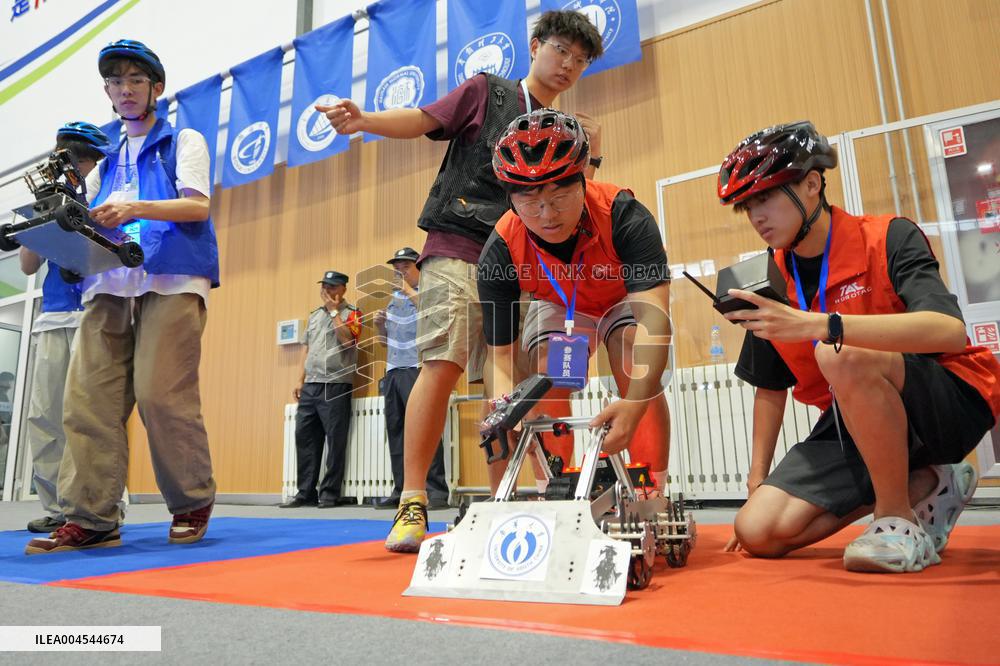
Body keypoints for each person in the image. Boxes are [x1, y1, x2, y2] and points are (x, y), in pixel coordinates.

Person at [320, 10, 606, 552]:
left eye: (580, 59)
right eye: (561, 51)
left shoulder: (565, 128)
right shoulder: (488, 92)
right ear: (537, 45)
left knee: (519, 381)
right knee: (442, 362)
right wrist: (365, 121)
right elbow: (426, 118)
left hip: (523, 264)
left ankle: (507, 499)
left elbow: (577, 203)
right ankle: (412, 500)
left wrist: (593, 150)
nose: (568, 65)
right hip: (459, 244)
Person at [717, 121, 1000, 573]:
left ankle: (895, 520)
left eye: (766, 198)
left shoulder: (888, 236)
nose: (757, 217)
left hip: (947, 400)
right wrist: (757, 483)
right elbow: (768, 388)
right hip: (857, 418)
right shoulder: (768, 278)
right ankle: (927, 483)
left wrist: (822, 324)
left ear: (812, 184)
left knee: (838, 349)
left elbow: (948, 331)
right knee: (759, 530)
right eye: (747, 206)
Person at [26, 40, 220, 554]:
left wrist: (135, 207)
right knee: (86, 401)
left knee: (161, 394)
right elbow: (85, 228)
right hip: (107, 285)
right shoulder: (101, 165)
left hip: (172, 279)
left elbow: (197, 208)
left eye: (136, 80)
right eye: (115, 83)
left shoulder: (185, 140)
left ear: (156, 87)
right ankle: (91, 517)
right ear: (108, 94)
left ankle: (191, 500)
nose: (125, 90)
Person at [478, 109, 672, 490]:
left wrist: (632, 407)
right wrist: (505, 409)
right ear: (511, 199)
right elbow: (499, 357)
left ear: (583, 178)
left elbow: (655, 322)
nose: (548, 215)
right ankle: (551, 487)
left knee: (633, 353)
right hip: (563, 308)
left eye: (561, 196)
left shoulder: (624, 215)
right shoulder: (500, 248)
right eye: (530, 203)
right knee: (544, 374)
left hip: (622, 300)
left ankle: (652, 488)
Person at [21, 122, 109, 533]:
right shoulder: (54, 194)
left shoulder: (106, 192)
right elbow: (27, 265)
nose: (69, 164)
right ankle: (57, 506)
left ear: (91, 160)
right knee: (44, 414)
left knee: (87, 415)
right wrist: (42, 212)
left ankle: (97, 504)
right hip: (53, 315)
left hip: (92, 312)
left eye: (76, 156)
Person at [372, 248, 449, 510]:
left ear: (418, 267)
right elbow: (385, 342)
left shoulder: (429, 290)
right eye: (397, 268)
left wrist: (408, 291)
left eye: (404, 266)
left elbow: (437, 319)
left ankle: (436, 490)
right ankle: (403, 489)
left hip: (419, 368)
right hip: (393, 370)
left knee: (425, 427)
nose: (399, 272)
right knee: (397, 432)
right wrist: (379, 325)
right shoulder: (393, 299)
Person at [280, 271, 363, 509]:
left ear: (343, 290)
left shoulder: (353, 313)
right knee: (304, 439)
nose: (326, 292)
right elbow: (306, 348)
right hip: (311, 385)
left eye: (331, 287)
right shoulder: (314, 315)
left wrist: (335, 312)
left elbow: (348, 341)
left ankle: (329, 494)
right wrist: (299, 380)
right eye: (324, 287)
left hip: (336, 384)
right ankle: (305, 492)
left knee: (335, 441)